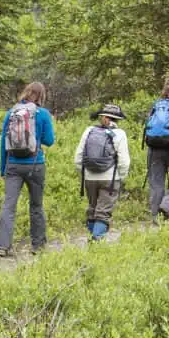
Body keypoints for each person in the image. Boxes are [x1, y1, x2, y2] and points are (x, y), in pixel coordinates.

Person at [0, 81, 55, 257]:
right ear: (41, 96)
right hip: (35, 164)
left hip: (13, 164)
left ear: (26, 92)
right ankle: (38, 246)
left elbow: (3, 143)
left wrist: (3, 169)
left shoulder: (11, 112)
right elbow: (49, 141)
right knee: (36, 205)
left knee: (9, 206)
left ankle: (2, 246)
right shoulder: (43, 114)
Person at [74, 103, 130, 240]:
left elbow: (78, 156)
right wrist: (121, 176)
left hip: (89, 177)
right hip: (110, 178)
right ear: (117, 119)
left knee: (92, 208)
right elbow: (124, 161)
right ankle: (97, 240)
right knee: (104, 211)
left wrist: (83, 172)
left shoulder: (89, 131)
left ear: (102, 117)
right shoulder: (120, 134)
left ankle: (93, 236)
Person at [144, 76, 169, 222]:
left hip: (154, 146)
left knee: (156, 181)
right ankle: (167, 206)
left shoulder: (157, 103)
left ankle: (156, 216)